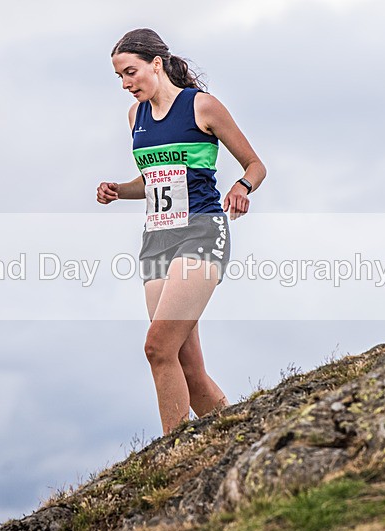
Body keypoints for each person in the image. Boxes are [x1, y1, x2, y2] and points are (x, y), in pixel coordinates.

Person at [97, 28, 266, 436]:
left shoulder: (201, 107)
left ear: (156, 64)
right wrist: (121, 191)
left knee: (157, 346)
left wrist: (242, 187)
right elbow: (151, 181)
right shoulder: (135, 117)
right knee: (188, 367)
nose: (126, 84)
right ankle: (240, 438)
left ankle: (172, 450)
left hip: (201, 231)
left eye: (131, 72)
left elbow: (255, 166)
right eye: (120, 77)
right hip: (157, 239)